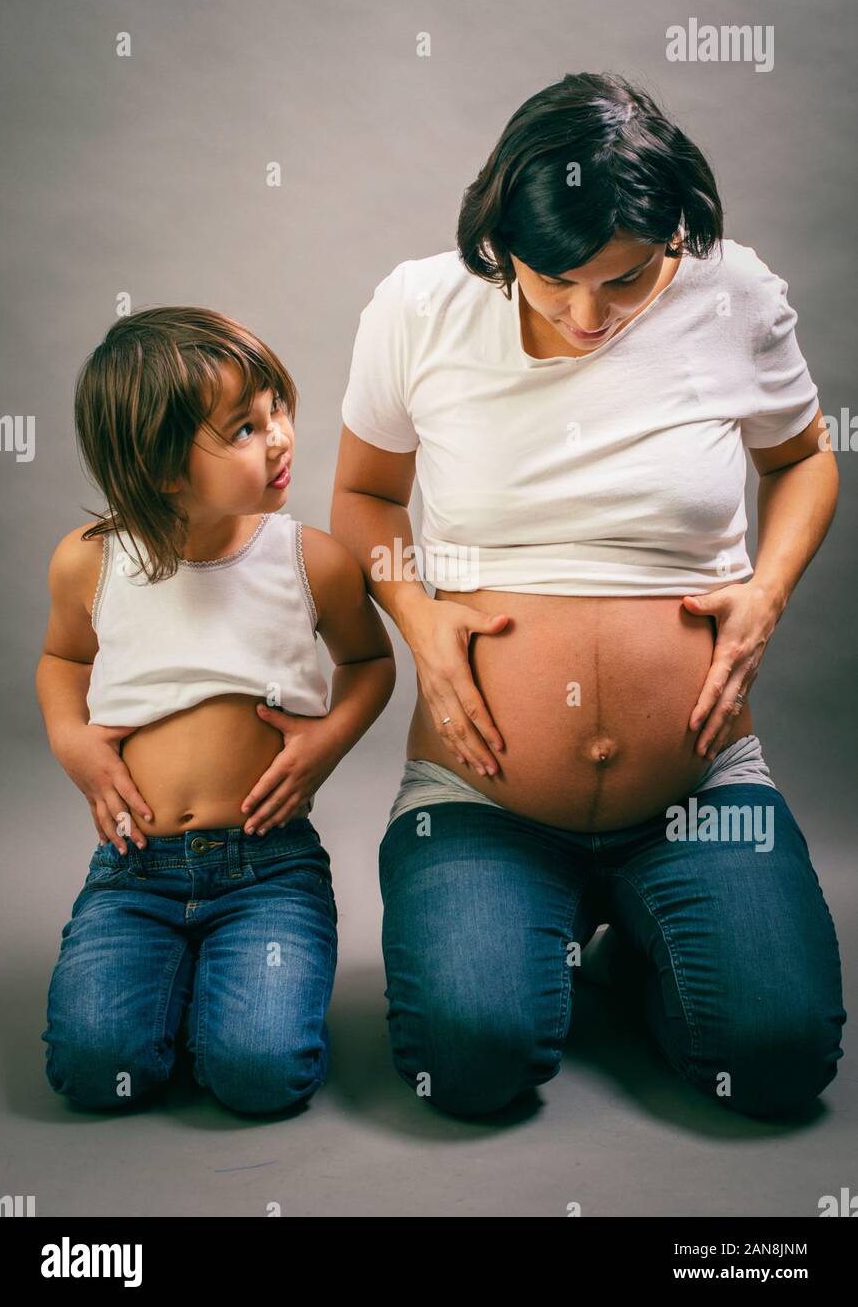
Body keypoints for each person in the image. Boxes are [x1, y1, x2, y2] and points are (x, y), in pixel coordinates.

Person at [331, 71, 847, 1120]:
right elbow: (364, 493)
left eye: (624, 282)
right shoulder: (419, 309)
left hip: (698, 792)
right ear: (499, 236)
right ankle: (554, 926)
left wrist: (767, 596)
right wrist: (422, 624)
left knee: (778, 1059)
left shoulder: (734, 291)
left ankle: (623, 934)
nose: (585, 314)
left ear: (673, 238)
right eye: (552, 278)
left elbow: (804, 460)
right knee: (471, 1063)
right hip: (485, 798)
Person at [36, 307, 395, 1114]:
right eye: (243, 428)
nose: (279, 438)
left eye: (277, 409)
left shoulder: (310, 560)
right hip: (135, 871)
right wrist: (71, 740)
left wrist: (326, 742)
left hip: (266, 868)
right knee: (93, 1073)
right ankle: (175, 979)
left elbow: (369, 663)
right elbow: (63, 659)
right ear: (161, 468)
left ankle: (236, 990)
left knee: (261, 1079)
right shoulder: (90, 561)